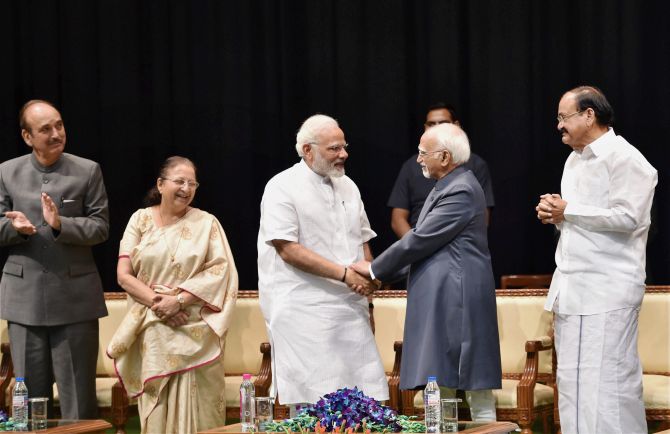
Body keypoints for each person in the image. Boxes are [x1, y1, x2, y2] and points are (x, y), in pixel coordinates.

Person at [352, 123, 501, 421]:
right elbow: (425, 244)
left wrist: (373, 270)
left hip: (456, 297)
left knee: (474, 382)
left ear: (444, 157)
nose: (418, 159)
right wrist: (381, 278)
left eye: (423, 153)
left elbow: (420, 240)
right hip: (444, 294)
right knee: (440, 378)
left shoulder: (460, 189)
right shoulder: (448, 186)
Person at [535, 86, 656, 434]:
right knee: (572, 387)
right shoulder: (574, 159)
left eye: (563, 117)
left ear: (589, 115)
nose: (558, 125)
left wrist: (569, 211)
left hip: (608, 288)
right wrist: (557, 216)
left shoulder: (626, 158)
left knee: (608, 386)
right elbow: (582, 223)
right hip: (573, 287)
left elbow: (629, 218)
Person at [257, 114, 388, 410]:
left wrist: (369, 291)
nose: (343, 154)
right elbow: (287, 249)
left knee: (362, 403)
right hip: (303, 309)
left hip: (350, 309)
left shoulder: (349, 186)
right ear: (307, 150)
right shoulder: (282, 186)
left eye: (344, 146)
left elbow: (362, 240)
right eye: (334, 148)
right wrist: (344, 275)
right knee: (313, 405)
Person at [107, 156, 238, 434]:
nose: (186, 188)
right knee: (157, 410)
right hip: (154, 325)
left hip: (197, 328)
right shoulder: (139, 219)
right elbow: (123, 275)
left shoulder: (207, 223)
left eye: (192, 183)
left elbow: (220, 272)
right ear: (160, 184)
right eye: (179, 181)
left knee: (202, 411)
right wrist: (160, 304)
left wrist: (178, 300)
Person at [0, 100, 109, 419]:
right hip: (24, 298)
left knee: (78, 399)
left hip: (75, 298)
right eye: (45, 129)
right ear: (26, 136)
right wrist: (14, 228)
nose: (56, 133)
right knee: (30, 400)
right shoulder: (7, 171)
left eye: (58, 125)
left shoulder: (88, 170)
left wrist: (62, 224)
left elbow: (101, 227)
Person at [388, 102, 494, 238]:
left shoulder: (474, 168)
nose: (436, 129)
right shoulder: (411, 166)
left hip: (453, 249)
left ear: (445, 157)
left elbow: (480, 219)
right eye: (431, 124)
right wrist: (415, 248)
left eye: (443, 124)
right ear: (425, 128)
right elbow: (398, 219)